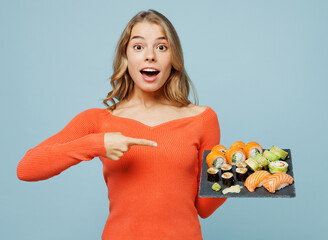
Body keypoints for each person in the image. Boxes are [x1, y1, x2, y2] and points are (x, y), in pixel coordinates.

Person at [17, 9, 227, 240]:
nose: (150, 56)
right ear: (126, 57)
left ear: (174, 59)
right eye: (138, 47)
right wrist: (97, 144)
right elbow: (26, 168)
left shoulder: (203, 119)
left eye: (161, 47)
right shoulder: (98, 120)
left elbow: (204, 209)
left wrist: (234, 176)